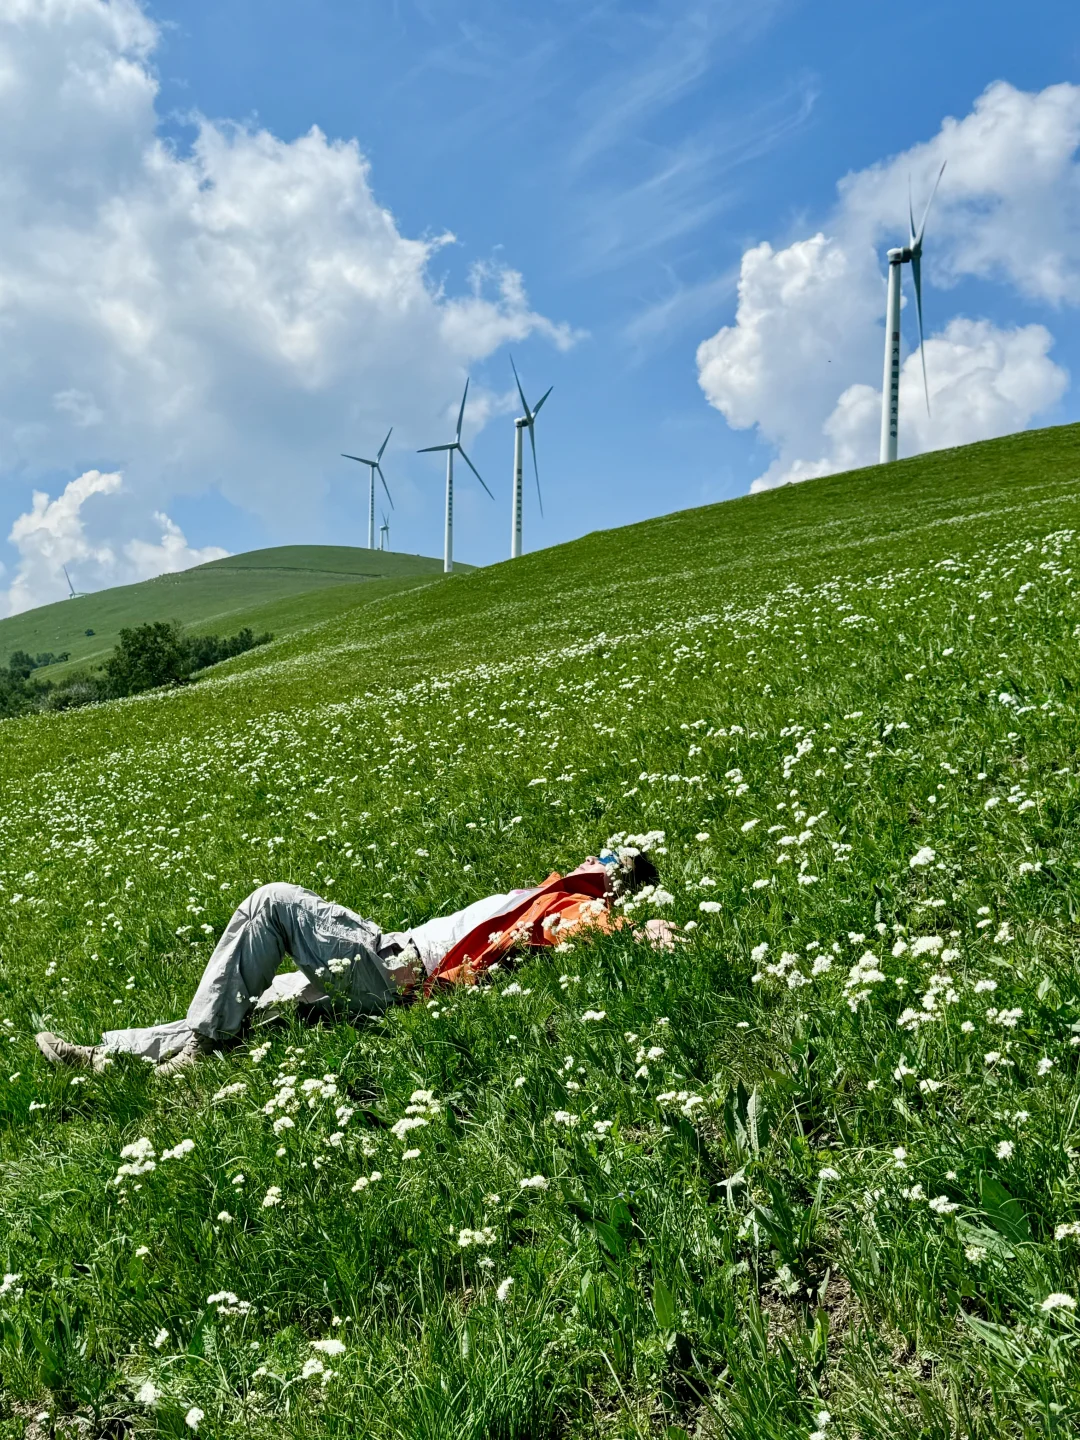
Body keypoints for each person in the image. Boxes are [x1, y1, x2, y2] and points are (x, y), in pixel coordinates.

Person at [36, 845, 672, 1077]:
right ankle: (108, 1059)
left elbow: (588, 930)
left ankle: (196, 1047)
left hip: (397, 972)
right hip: (388, 962)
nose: (601, 858)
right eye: (607, 852)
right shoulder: (546, 892)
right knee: (249, 1010)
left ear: (614, 884)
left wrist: (645, 928)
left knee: (273, 903)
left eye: (615, 863)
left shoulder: (573, 907)